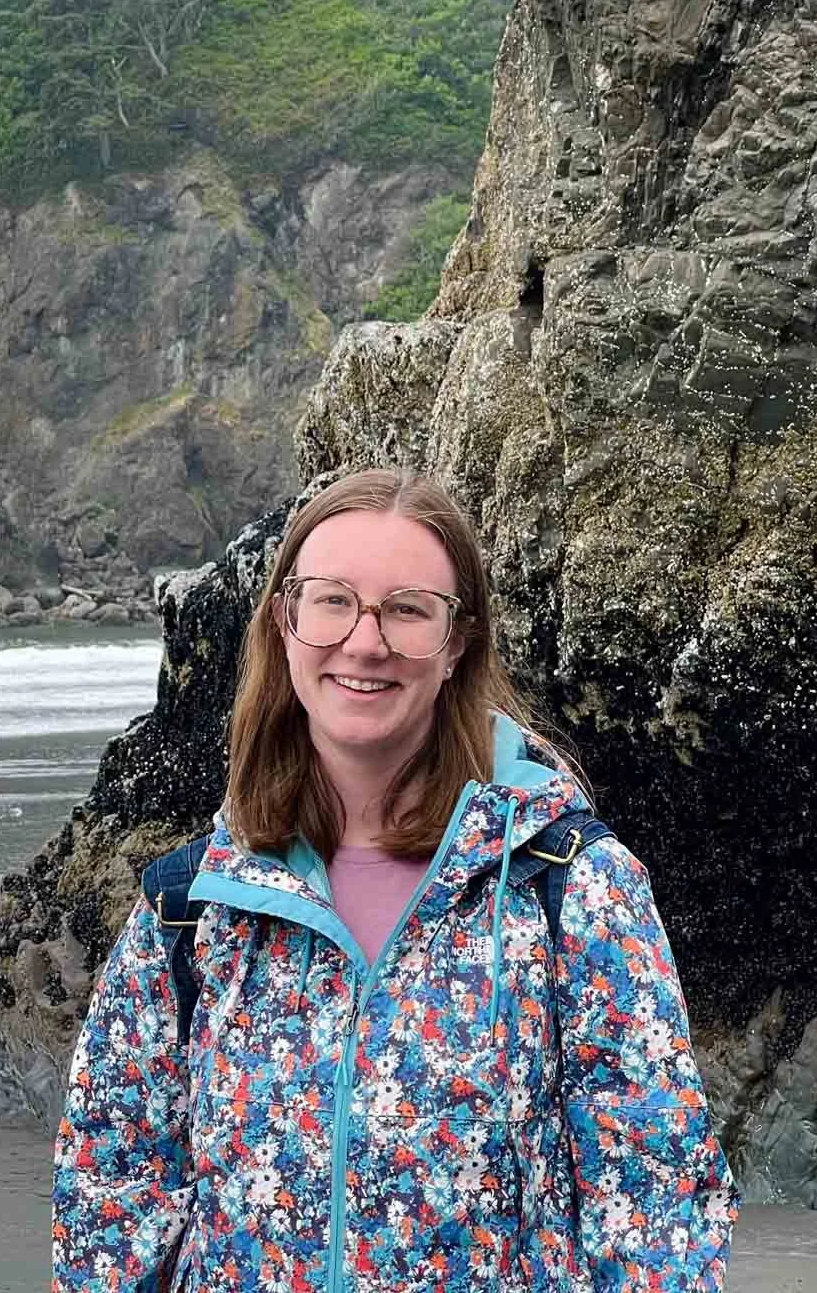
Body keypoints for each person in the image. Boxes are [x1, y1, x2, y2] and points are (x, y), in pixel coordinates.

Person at [52, 468, 737, 1291]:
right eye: (332, 601)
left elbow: (654, 1194)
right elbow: (111, 1188)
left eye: (407, 609)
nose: (365, 641)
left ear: (457, 645)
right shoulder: (192, 907)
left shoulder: (571, 888)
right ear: (284, 621)